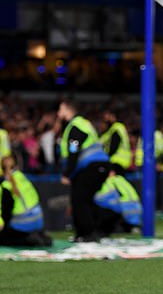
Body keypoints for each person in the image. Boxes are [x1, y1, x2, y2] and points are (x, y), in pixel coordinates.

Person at [57, 98, 115, 242]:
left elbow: (74, 149)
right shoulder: (84, 123)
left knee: (80, 200)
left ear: (68, 110)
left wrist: (67, 173)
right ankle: (89, 232)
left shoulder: (76, 125)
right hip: (99, 166)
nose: (58, 113)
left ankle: (86, 234)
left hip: (91, 166)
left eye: (60, 109)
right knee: (85, 199)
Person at [0, 155, 52, 247]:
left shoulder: (6, 186)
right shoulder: (22, 177)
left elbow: (6, 213)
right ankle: (40, 236)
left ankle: (28, 239)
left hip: (23, 223)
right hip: (38, 220)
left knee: (3, 238)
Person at [99, 109, 132, 175]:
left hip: (116, 161)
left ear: (112, 116)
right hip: (121, 161)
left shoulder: (116, 128)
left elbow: (113, 146)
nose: (105, 117)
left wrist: (105, 157)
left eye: (107, 115)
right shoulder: (117, 128)